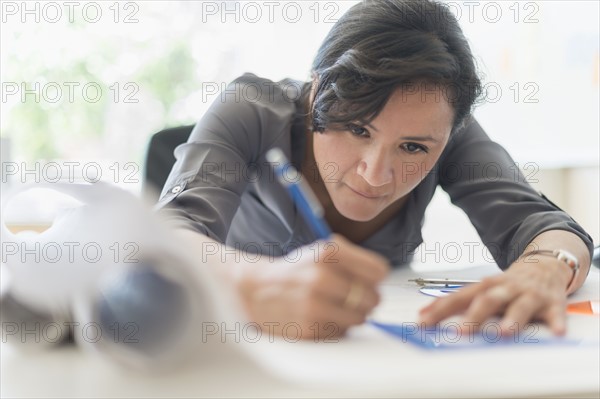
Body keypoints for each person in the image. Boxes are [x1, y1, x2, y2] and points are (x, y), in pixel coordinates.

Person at [156, 0, 594, 339]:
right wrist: (253, 284)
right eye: (356, 128)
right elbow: (166, 237)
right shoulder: (249, 108)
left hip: (378, 349)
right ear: (315, 91)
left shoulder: (445, 130)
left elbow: (544, 225)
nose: (376, 175)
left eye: (412, 147)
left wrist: (546, 267)